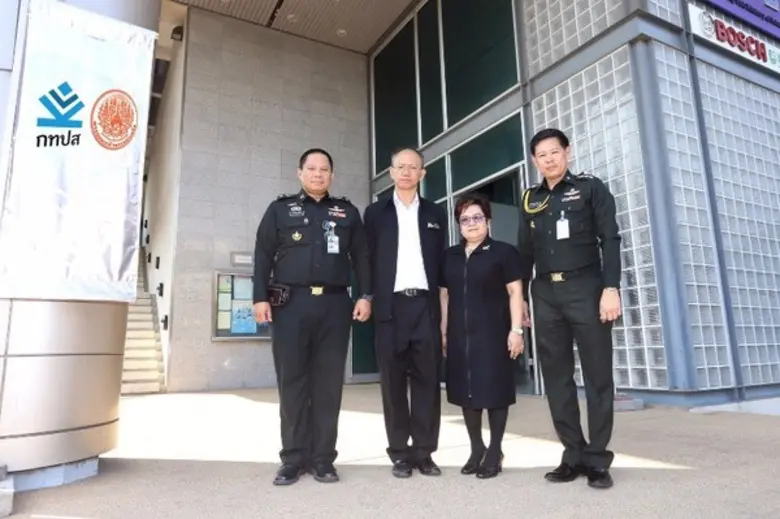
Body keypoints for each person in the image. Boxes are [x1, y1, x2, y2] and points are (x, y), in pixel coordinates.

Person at [252, 148, 372, 486]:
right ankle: (292, 458)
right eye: (312, 168)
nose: (318, 174)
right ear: (300, 173)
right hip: (290, 305)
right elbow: (263, 254)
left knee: (327, 385)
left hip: (334, 306)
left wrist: (366, 295)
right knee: (292, 382)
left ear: (332, 175)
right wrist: (260, 297)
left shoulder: (347, 212)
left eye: (324, 169)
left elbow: (362, 257)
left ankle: (322, 459)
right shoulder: (279, 210)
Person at [518, 128, 622, 489]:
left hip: (586, 288)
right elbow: (524, 252)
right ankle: (573, 454)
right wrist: (521, 300)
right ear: (534, 160)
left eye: (554, 152)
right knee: (557, 378)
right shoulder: (530, 199)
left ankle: (597, 459)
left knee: (597, 376)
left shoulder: (590, 188)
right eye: (541, 155)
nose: (549, 159)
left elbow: (610, 239)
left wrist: (611, 288)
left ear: (567, 152)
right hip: (545, 292)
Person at [363, 147, 448, 478]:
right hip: (390, 307)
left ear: (422, 174)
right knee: (393, 382)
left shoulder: (435, 213)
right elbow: (366, 260)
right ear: (391, 172)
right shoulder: (375, 213)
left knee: (428, 381)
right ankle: (399, 453)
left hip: (425, 307)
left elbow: (443, 263)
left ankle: (424, 452)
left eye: (414, 167)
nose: (407, 172)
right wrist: (367, 297)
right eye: (401, 167)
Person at [439, 193, 526, 479]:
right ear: (458, 224)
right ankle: (477, 448)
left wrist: (516, 330)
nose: (472, 223)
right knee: (467, 392)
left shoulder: (503, 252)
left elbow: (515, 292)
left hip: (494, 333)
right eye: (465, 219)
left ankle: (495, 450)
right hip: (459, 336)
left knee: (496, 391)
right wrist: (443, 330)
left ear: (487, 220)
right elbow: (445, 295)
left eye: (477, 217)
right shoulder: (450, 256)